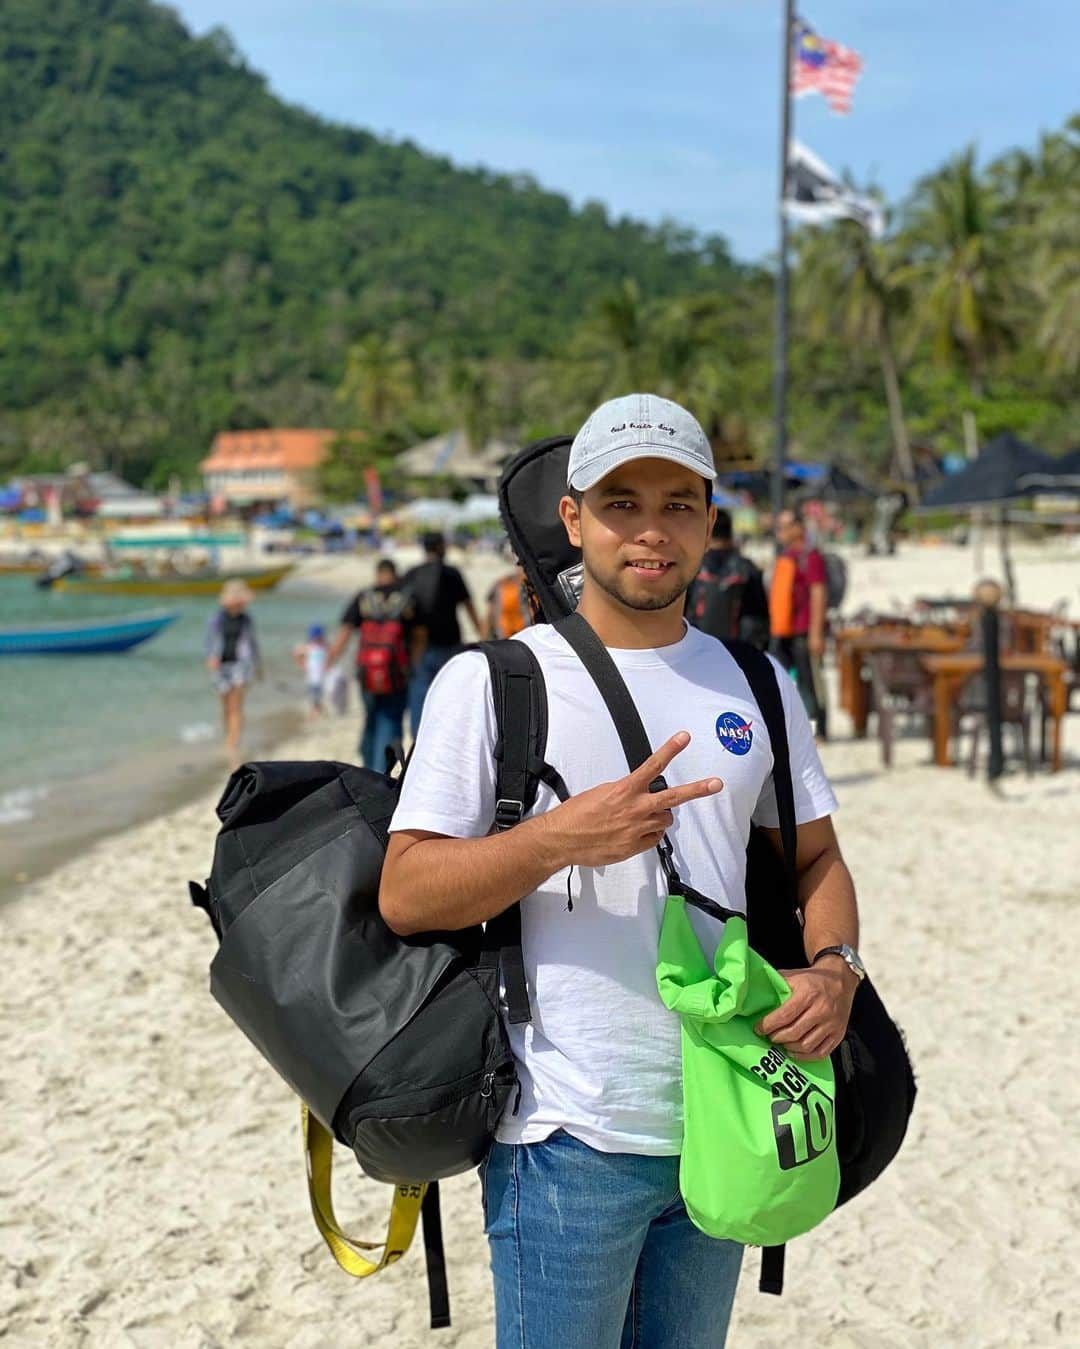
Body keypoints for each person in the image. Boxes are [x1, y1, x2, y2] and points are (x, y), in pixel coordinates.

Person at [382, 393, 861, 1349]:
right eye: (621, 502)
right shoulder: (494, 681)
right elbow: (406, 892)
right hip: (564, 1133)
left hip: (725, 1113)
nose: (651, 530)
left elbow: (817, 861)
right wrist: (559, 837)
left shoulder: (759, 683)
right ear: (573, 520)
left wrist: (837, 965)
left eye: (679, 503)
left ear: (712, 521)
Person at [325, 559, 415, 772]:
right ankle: (380, 772)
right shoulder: (406, 598)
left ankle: (367, 766)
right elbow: (418, 635)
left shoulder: (364, 597)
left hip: (366, 672)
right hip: (397, 673)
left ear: (377, 574)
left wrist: (329, 661)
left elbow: (345, 631)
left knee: (371, 717)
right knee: (390, 718)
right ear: (395, 574)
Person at [403, 531, 481, 732]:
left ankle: (418, 740)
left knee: (420, 693)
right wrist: (482, 633)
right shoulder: (451, 573)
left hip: (419, 645)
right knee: (449, 694)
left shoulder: (412, 574)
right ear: (440, 547)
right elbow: (468, 606)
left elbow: (404, 610)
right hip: (449, 643)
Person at [769, 507, 829, 739]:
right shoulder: (786, 556)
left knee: (810, 683)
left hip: (804, 630)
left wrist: (816, 633)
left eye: (783, 527)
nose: (779, 532)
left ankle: (817, 731)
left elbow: (818, 593)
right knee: (782, 681)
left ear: (797, 528)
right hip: (783, 630)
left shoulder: (810, 557)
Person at [686, 507, 769, 649]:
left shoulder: (692, 567)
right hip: (738, 651)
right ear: (730, 532)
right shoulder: (747, 568)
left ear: (707, 530)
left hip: (696, 649)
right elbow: (760, 617)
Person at [204, 579, 261, 773]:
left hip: (240, 665)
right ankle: (229, 736)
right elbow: (209, 641)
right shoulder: (216, 619)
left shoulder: (247, 620)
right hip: (221, 666)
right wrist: (210, 657)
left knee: (236, 705)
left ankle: (233, 742)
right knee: (225, 706)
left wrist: (258, 666)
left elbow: (252, 644)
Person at [484, 563, 531, 639]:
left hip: (524, 635)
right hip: (506, 637)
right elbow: (489, 614)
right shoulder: (501, 584)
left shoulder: (531, 586)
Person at [293, 623, 329, 717]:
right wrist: (302, 665)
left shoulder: (325, 646)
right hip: (312, 677)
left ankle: (319, 710)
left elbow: (332, 655)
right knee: (314, 695)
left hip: (323, 677)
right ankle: (314, 711)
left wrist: (328, 666)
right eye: (317, 637)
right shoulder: (309, 647)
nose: (319, 639)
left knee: (320, 694)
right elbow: (296, 652)